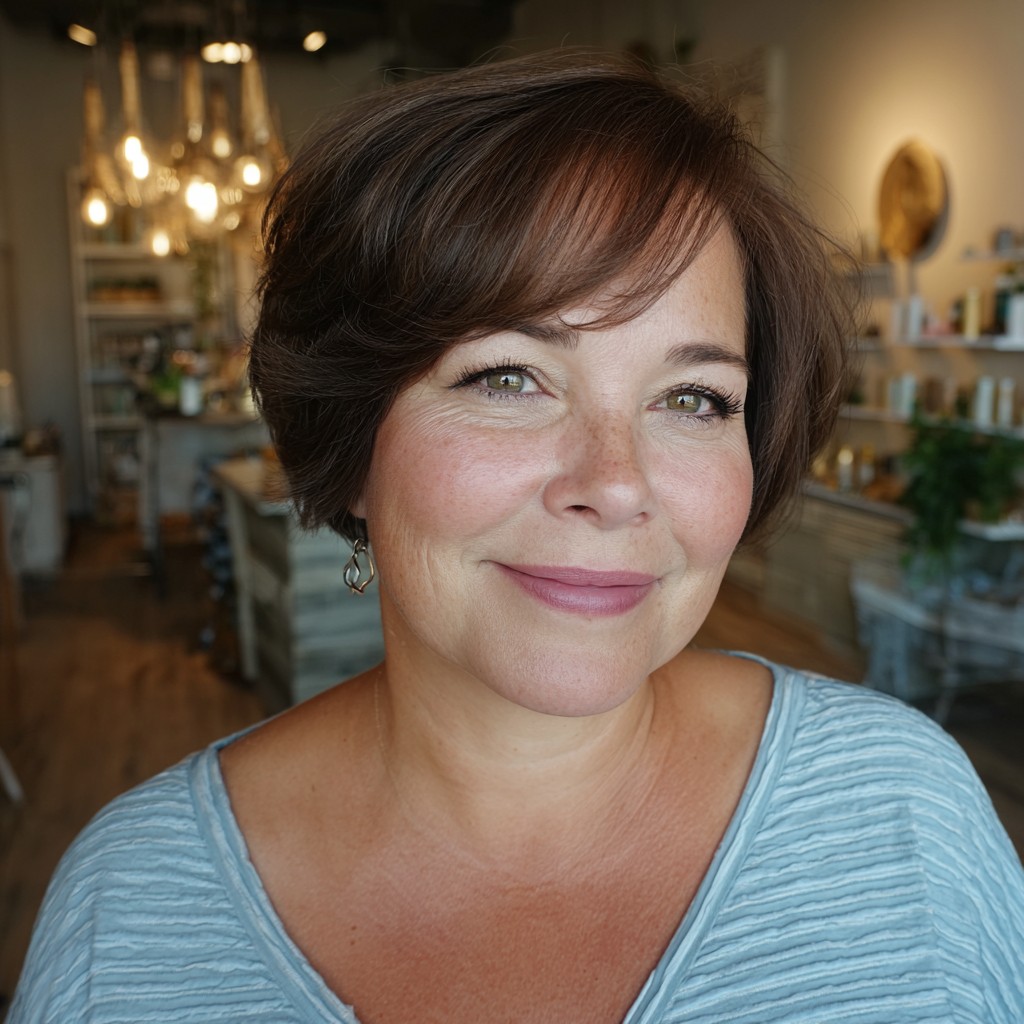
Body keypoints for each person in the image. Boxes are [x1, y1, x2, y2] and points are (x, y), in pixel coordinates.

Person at [11, 51, 1024, 1024]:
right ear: (352, 442)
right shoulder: (128, 912)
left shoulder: (905, 811)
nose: (615, 485)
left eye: (692, 396)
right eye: (507, 378)